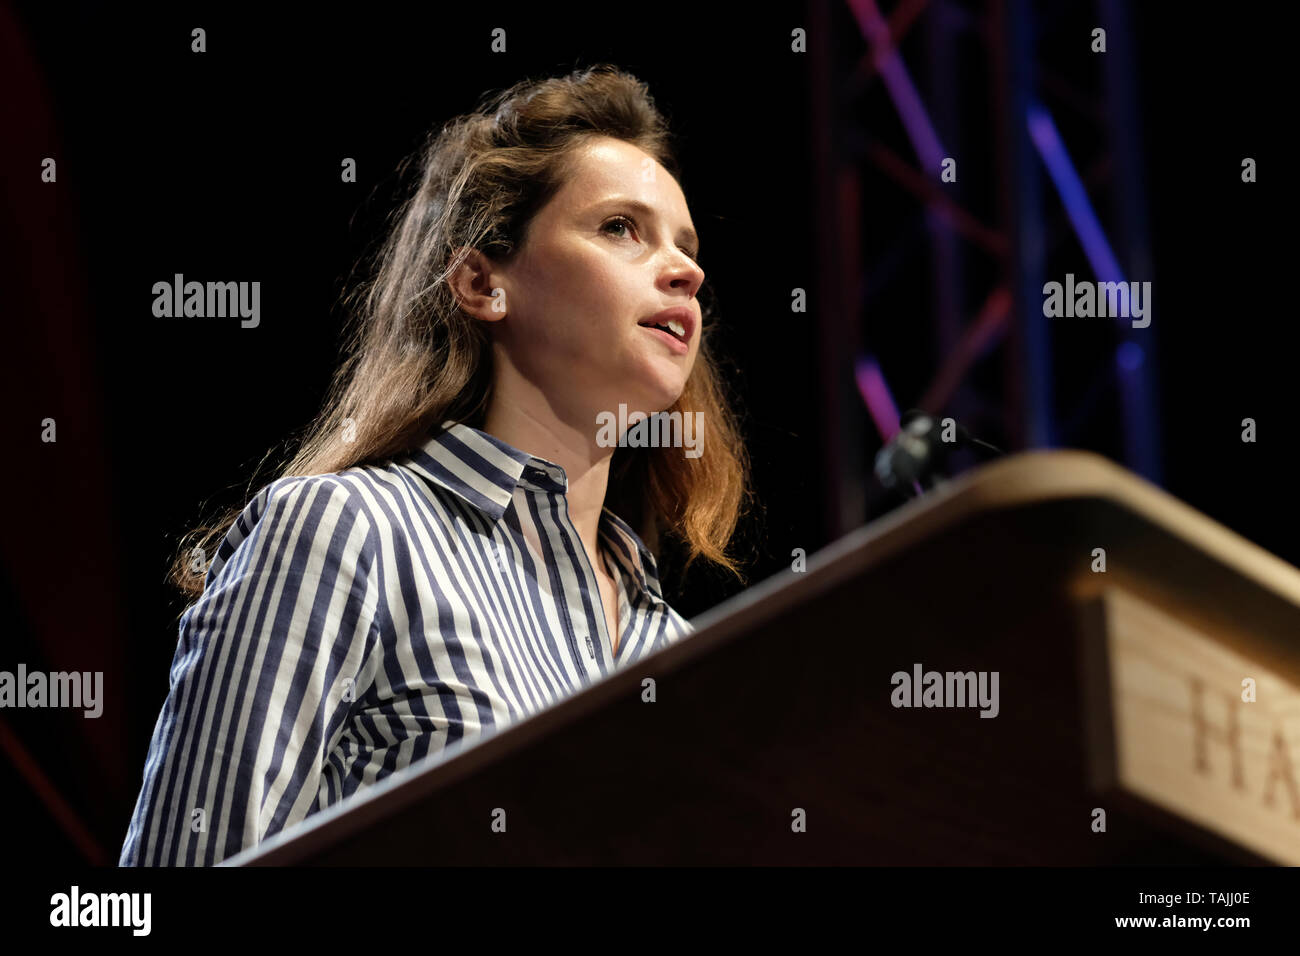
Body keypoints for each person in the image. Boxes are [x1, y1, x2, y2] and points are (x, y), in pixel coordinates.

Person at [119, 64, 754, 866]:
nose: (686, 271)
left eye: (687, 248)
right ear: (484, 282)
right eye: (621, 228)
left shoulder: (681, 653)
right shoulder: (345, 535)